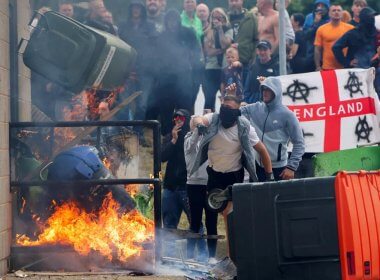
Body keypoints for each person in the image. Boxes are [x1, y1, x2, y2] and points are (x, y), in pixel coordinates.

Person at [190, 95, 273, 259]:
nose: (225, 111)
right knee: (211, 215)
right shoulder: (213, 119)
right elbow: (196, 119)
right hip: (214, 174)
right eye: (224, 107)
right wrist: (199, 124)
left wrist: (269, 176)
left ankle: (235, 254)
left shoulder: (244, 126)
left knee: (232, 215)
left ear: (237, 111)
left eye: (229, 108)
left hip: (234, 175)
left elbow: (262, 151)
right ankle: (212, 257)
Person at [240, 76, 305, 181]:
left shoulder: (287, 114)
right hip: (257, 166)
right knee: (256, 197)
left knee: (278, 198)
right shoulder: (255, 108)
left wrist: (291, 167)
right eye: (263, 89)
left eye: (269, 90)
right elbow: (233, 113)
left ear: (276, 92)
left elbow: (299, 143)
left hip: (279, 169)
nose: (265, 92)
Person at [184, 115, 210, 261]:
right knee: (195, 221)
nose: (200, 127)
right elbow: (192, 144)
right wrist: (197, 130)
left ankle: (209, 255)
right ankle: (189, 256)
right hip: (194, 184)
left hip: (208, 184)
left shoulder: (207, 138)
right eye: (197, 124)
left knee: (210, 221)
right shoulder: (188, 138)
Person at [203, 8, 233, 111]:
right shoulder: (207, 32)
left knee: (226, 98)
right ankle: (206, 123)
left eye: (219, 17)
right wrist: (223, 50)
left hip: (224, 68)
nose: (217, 20)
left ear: (224, 18)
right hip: (211, 69)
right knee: (209, 99)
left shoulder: (228, 29)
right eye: (214, 17)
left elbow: (225, 43)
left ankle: (226, 120)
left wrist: (220, 30)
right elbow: (209, 52)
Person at [314, 5, 354, 71]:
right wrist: (318, 66)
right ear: (329, 13)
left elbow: (357, 46)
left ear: (342, 13)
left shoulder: (350, 28)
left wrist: (356, 59)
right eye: (334, 10)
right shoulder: (321, 29)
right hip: (327, 67)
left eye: (339, 10)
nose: (336, 12)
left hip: (346, 67)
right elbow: (317, 49)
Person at [228, 0, 259, 85]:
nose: (234, 3)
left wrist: (253, 58)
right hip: (228, 63)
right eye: (231, 1)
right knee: (230, 94)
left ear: (242, 1)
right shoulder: (225, 18)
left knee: (245, 93)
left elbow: (256, 39)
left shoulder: (251, 17)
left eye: (236, 1)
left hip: (245, 61)